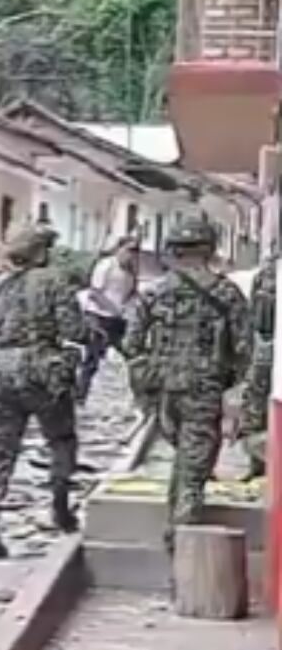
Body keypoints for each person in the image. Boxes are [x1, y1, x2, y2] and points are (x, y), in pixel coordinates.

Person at [118, 217, 251, 551]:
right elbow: (244, 349)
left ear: (174, 251)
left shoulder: (155, 291)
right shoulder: (227, 293)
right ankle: (182, 538)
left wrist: (146, 378)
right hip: (204, 388)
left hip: (163, 388)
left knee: (185, 458)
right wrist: (233, 390)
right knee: (195, 466)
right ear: (209, 249)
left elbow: (132, 344)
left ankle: (176, 521)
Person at [0, 226, 82, 560]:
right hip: (42, 373)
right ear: (42, 253)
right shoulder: (55, 282)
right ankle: (60, 506)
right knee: (61, 439)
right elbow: (73, 330)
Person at [76, 237, 140, 403]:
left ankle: (139, 395)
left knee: (132, 354)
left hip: (118, 319)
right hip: (99, 316)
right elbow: (95, 293)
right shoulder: (106, 265)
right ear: (119, 249)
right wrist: (113, 308)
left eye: (135, 251)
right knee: (92, 359)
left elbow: (131, 292)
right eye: (128, 250)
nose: (131, 254)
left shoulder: (130, 270)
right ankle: (79, 395)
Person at [236, 255, 274, 480]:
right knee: (254, 408)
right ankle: (258, 465)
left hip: (266, 347)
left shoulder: (266, 273)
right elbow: (252, 314)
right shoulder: (265, 272)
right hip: (264, 344)